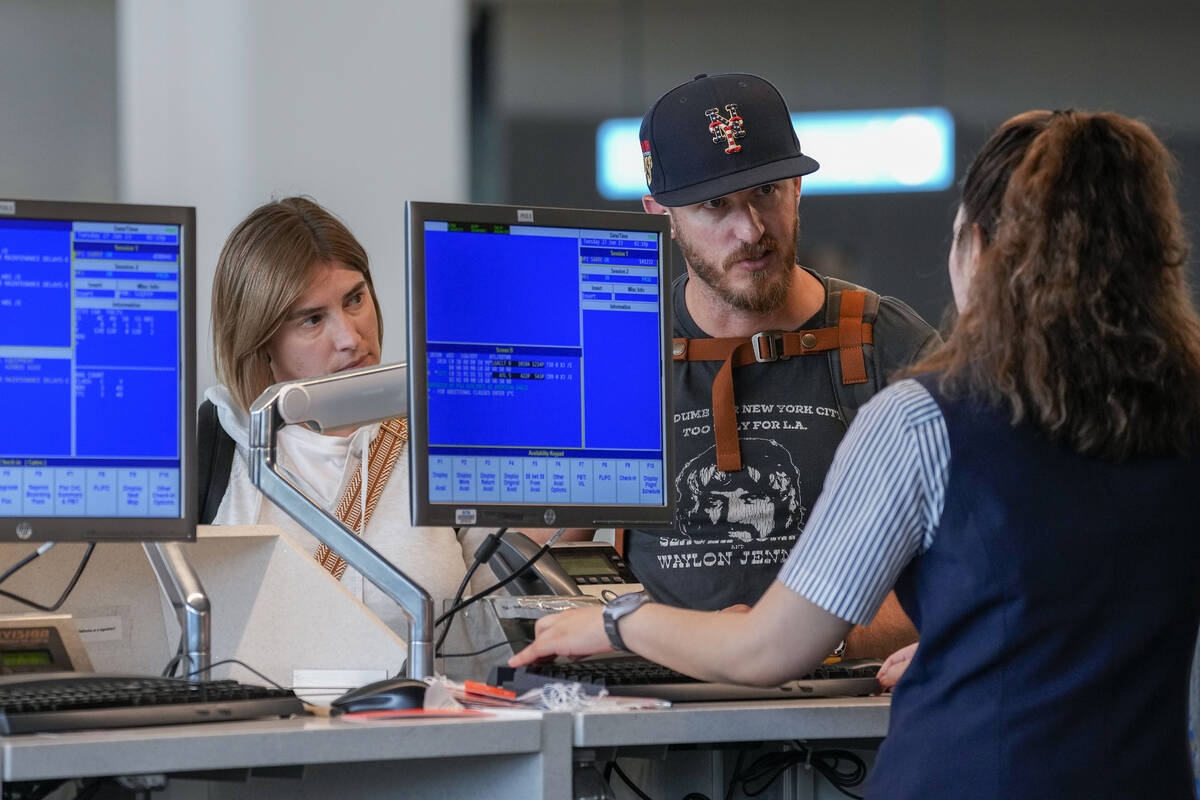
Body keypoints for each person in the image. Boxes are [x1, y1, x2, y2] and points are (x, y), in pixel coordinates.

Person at [513, 109, 1200, 798]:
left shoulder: (922, 416)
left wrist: (618, 619)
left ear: (978, 246)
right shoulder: (1184, 411)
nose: (748, 228)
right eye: (715, 205)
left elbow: (766, 651)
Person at [626, 73, 939, 657]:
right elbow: (531, 552)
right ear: (661, 212)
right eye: (715, 204)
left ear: (797, 188)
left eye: (766, 192)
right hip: (653, 726)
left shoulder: (886, 345)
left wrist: (814, 644)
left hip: (846, 720)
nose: (752, 230)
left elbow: (970, 550)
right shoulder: (621, 349)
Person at [201, 196, 469, 637]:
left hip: (431, 701)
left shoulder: (442, 433)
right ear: (261, 340)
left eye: (355, 299)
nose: (350, 337)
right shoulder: (213, 446)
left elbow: (510, 595)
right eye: (311, 320)